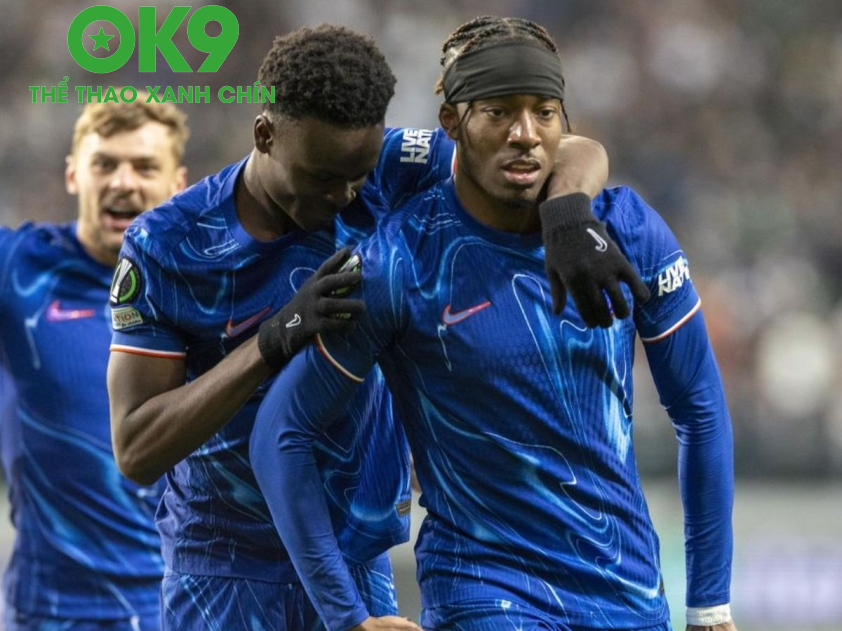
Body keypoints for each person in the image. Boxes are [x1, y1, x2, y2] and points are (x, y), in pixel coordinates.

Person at [106, 24, 635, 631]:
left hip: (355, 561)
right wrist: (272, 341)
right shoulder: (168, 244)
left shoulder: (391, 167)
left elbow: (570, 150)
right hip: (224, 572)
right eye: (322, 178)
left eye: (356, 174)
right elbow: (136, 448)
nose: (344, 196)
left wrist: (567, 212)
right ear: (265, 135)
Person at [251, 16, 738, 631]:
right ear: (452, 123)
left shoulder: (626, 231)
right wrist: (345, 616)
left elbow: (700, 409)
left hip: (627, 594)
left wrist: (710, 604)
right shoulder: (399, 262)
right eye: (498, 112)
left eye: (544, 112)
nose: (525, 135)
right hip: (484, 594)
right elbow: (281, 433)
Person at [0, 95, 189, 630]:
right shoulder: (20, 269)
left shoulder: (207, 287)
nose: (122, 182)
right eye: (104, 164)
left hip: (179, 608)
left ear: (178, 183)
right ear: (73, 175)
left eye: (144, 166)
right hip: (50, 613)